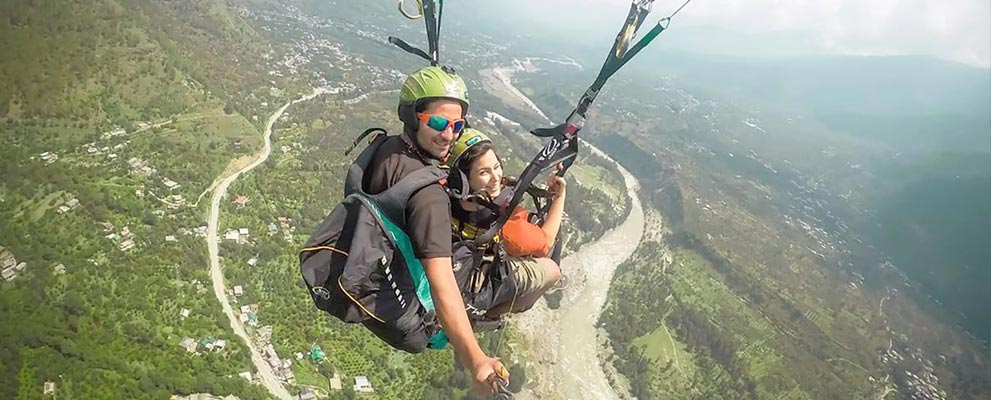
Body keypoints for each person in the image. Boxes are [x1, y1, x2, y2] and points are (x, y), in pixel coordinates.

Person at [364, 66, 506, 394]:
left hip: (382, 266)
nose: (449, 135)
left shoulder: (387, 149)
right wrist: (476, 360)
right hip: (414, 310)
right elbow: (441, 282)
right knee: (527, 278)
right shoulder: (429, 199)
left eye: (457, 126)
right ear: (413, 117)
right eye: (439, 123)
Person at [446, 128, 564, 319]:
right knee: (552, 271)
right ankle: (486, 316)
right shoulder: (502, 220)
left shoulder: (444, 191)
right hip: (472, 285)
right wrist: (559, 197)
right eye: (484, 172)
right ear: (463, 180)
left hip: (456, 259)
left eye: (496, 166)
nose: (496, 177)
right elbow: (545, 243)